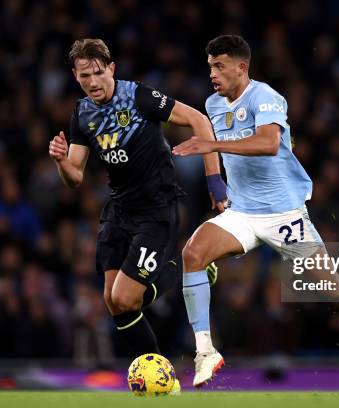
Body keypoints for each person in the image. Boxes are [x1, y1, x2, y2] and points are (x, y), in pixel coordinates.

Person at [173, 35, 339, 387]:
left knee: (330, 288)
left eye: (220, 66)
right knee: (193, 253)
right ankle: (205, 351)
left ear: (241, 67)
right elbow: (213, 148)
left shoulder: (267, 97)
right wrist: (216, 183)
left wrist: (212, 143)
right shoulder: (213, 104)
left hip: (284, 215)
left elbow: (268, 143)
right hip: (242, 212)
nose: (213, 73)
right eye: (210, 66)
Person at [48, 39, 225, 367]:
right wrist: (60, 161)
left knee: (125, 297)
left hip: (156, 210)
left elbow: (200, 120)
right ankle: (159, 375)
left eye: (98, 73)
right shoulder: (82, 113)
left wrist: (215, 182)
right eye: (84, 76)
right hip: (119, 212)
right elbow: (74, 178)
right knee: (113, 302)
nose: (93, 82)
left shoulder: (139, 97)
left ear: (111, 68)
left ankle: (186, 269)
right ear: (75, 76)